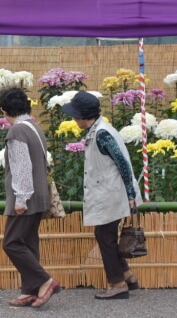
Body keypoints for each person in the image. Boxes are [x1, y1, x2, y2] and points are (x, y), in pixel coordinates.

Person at [62, 91, 143, 300]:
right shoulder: (98, 130)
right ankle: (127, 276)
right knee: (103, 235)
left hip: (112, 194)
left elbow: (122, 163)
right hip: (109, 192)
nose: (73, 119)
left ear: (83, 116)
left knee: (105, 236)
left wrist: (131, 193)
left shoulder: (102, 134)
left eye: (75, 115)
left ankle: (117, 284)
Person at [0, 87, 61, 308]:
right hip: (40, 195)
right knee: (28, 242)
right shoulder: (34, 127)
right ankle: (30, 291)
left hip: (27, 197)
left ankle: (45, 281)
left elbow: (22, 167)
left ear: (4, 110)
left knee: (12, 242)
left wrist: (21, 199)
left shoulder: (16, 132)